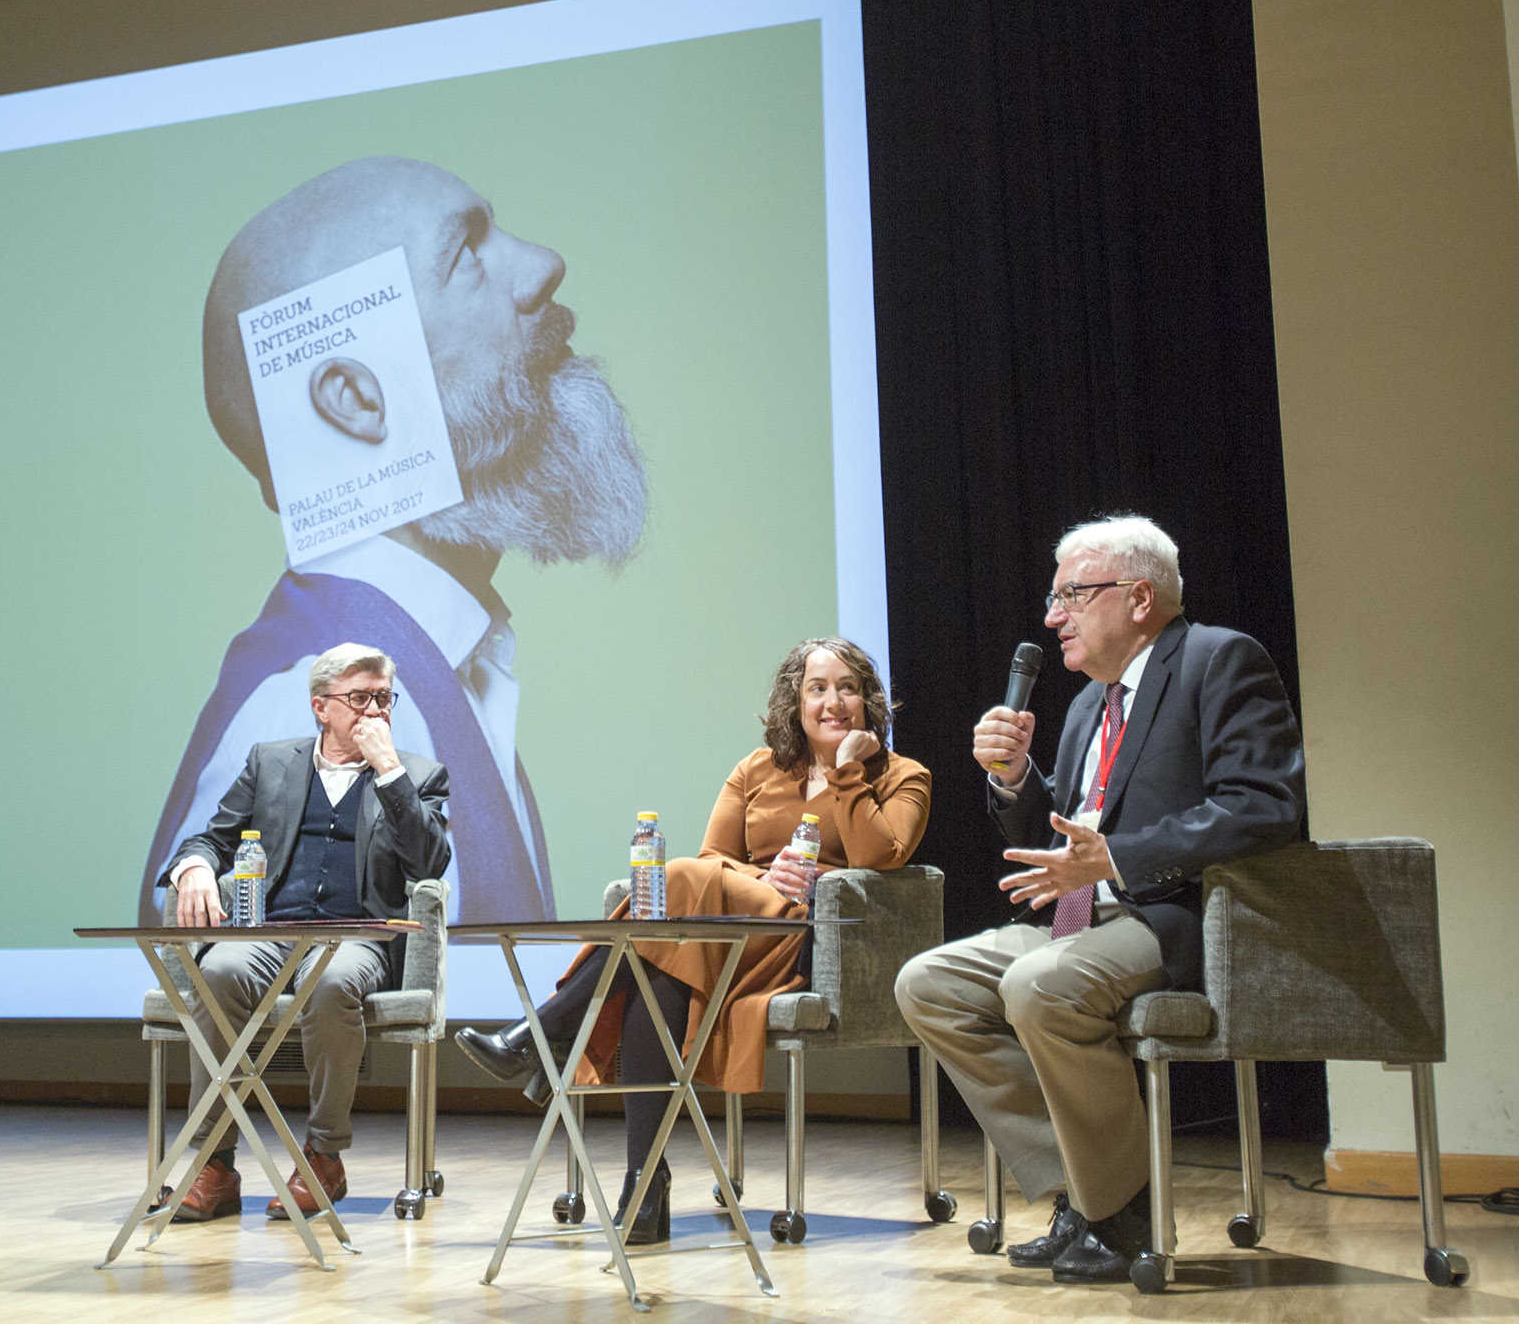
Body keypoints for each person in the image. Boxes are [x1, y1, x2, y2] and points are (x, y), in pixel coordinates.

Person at [143, 157, 649, 923]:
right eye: (466, 252)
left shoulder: (436, 672)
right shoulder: (310, 720)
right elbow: (286, 1041)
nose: (544, 267)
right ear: (353, 399)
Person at [894, 515, 1305, 1283]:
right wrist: (1016, 779)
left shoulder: (1219, 662)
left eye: (1072, 595)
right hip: (1080, 921)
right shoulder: (1089, 703)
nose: (1053, 617)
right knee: (927, 983)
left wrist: (1117, 857)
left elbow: (1263, 805)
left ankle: (1120, 1215)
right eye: (1054, 599)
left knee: (1036, 982)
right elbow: (1064, 827)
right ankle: (1090, 1196)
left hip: (1168, 915)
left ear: (1140, 597)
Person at [455, 636, 930, 1243]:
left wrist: (846, 777)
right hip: (727, 937)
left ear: (869, 701)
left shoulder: (902, 776)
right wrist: (766, 875)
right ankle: (643, 1183)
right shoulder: (756, 770)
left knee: (675, 877)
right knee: (657, 976)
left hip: (806, 940)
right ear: (795, 700)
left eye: (848, 688)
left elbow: (880, 860)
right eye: (818, 688)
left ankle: (544, 1029)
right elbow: (716, 861)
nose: (833, 701)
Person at [151, 642, 452, 1223]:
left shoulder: (417, 775)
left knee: (330, 982)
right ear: (321, 707)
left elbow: (429, 864)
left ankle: (322, 1153)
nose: (375, 712)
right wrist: (193, 868)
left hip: (360, 937)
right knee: (218, 971)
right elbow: (211, 838)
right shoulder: (270, 763)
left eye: (384, 699)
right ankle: (215, 1164)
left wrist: (389, 773)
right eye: (359, 698)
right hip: (274, 931)